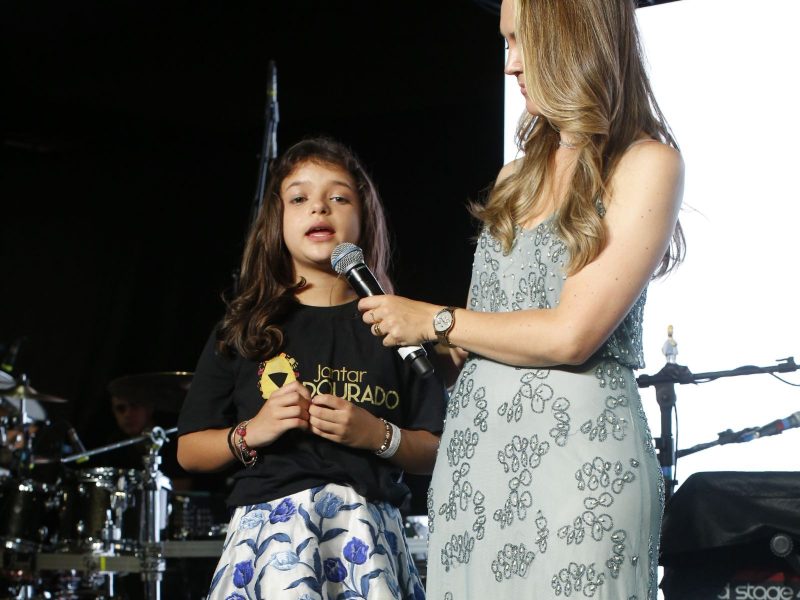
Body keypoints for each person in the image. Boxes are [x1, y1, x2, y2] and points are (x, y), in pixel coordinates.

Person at [357, 0, 685, 597]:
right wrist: (424, 345)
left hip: (579, 472)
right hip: (475, 465)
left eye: (521, 41)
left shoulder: (646, 163)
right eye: (505, 43)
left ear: (573, 37)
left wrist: (435, 321)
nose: (510, 65)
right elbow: (483, 334)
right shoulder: (519, 176)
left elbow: (571, 334)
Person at [176, 136, 446, 599]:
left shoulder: (397, 325)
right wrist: (252, 432)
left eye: (338, 197)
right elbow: (188, 451)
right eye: (299, 198)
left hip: (367, 536)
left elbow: (437, 448)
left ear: (364, 216)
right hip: (268, 541)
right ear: (276, 222)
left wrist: (377, 435)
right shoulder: (246, 327)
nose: (319, 209)